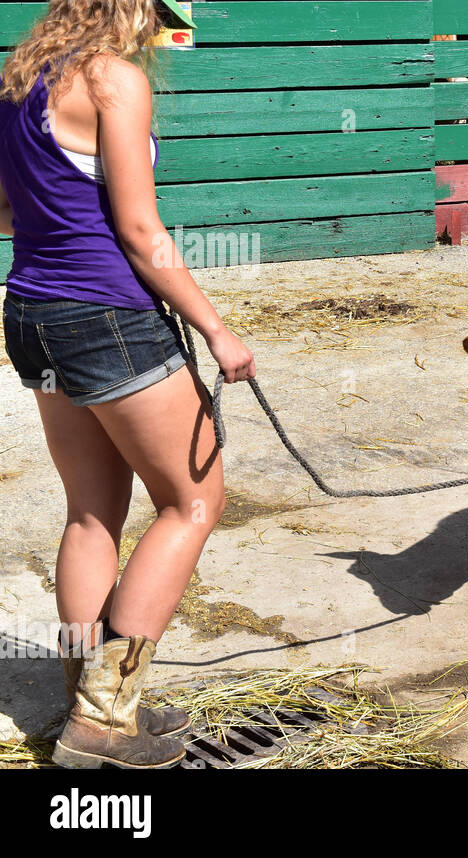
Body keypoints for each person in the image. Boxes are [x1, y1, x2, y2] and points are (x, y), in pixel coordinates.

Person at [0, 0, 255, 768]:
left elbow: (6, 210)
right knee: (194, 500)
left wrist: (60, 225)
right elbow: (143, 234)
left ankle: (90, 696)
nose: (163, 25)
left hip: (32, 310)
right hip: (106, 318)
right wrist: (215, 327)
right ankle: (107, 720)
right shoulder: (113, 80)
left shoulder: (19, 82)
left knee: (90, 515)